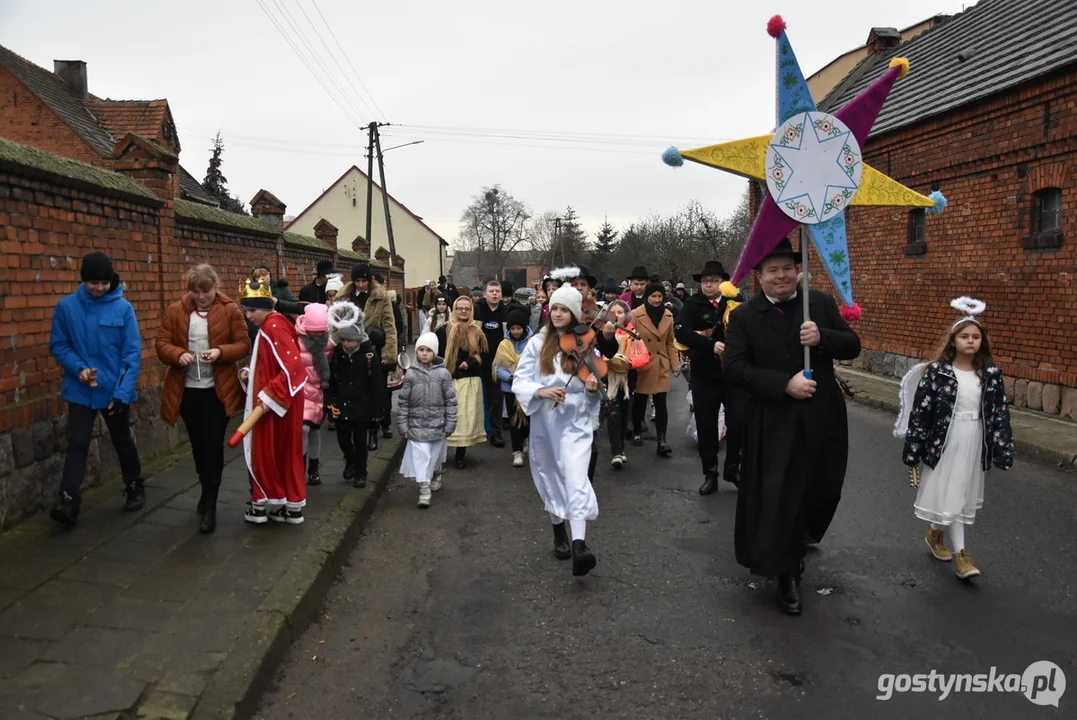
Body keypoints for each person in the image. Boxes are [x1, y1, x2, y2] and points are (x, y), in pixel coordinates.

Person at [722, 237, 861, 615]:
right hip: (774, 418)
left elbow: (852, 346)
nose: (781, 276)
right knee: (782, 494)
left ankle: (800, 537)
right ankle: (788, 572)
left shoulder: (818, 304)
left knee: (822, 486)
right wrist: (784, 384)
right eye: (772, 270)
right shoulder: (745, 316)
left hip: (822, 416)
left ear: (798, 271)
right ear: (759, 276)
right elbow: (733, 368)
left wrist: (823, 338)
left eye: (787, 268)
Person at [898, 298, 1013, 581]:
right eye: (965, 336)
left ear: (982, 342)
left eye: (976, 337)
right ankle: (961, 555)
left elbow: (999, 413)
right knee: (954, 494)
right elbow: (921, 413)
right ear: (953, 341)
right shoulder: (938, 374)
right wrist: (913, 448)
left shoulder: (990, 375)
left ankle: (936, 534)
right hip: (946, 442)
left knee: (959, 493)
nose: (971, 341)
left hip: (974, 442)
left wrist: (1002, 449)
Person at [48, 252, 146, 526]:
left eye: (104, 283)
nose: (99, 288)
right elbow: (59, 345)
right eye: (93, 283)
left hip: (114, 389)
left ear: (111, 281)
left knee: (121, 439)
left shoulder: (123, 309)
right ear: (84, 280)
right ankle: (68, 500)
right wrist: (78, 368)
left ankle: (135, 485)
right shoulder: (66, 307)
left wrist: (122, 393)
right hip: (80, 389)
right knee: (77, 443)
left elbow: (131, 354)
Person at [513, 285, 603, 576]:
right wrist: (542, 391)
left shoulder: (586, 342)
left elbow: (597, 390)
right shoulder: (538, 343)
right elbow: (521, 379)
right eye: (555, 308)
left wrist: (591, 389)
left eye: (565, 309)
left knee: (576, 478)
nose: (559, 314)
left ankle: (579, 545)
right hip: (547, 421)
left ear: (574, 313)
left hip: (576, 422)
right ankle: (558, 531)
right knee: (551, 476)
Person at [155, 264, 250, 533]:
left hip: (217, 390)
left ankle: (211, 503)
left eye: (206, 291)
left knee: (212, 443)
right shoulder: (176, 311)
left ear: (215, 287)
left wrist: (220, 352)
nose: (201, 296)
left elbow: (244, 344)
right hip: (187, 390)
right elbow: (161, 344)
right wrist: (177, 355)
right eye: (196, 291)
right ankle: (205, 488)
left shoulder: (230, 310)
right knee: (197, 446)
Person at [237, 279, 308, 525]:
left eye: (251, 311)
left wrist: (267, 397)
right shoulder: (272, 324)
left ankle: (263, 504)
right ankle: (288, 505)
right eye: (245, 311)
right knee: (283, 452)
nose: (247, 316)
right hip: (280, 402)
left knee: (266, 452)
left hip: (275, 405)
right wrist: (250, 370)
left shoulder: (273, 326)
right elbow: (271, 363)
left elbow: (294, 369)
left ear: (266, 307)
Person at [675, 260, 738, 495]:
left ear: (724, 283)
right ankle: (710, 473)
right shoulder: (692, 304)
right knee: (706, 426)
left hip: (732, 375)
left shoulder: (736, 303)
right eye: (705, 281)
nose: (708, 285)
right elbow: (681, 331)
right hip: (703, 374)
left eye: (713, 281)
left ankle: (733, 466)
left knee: (738, 423)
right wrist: (710, 345)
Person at [326, 302, 387, 488]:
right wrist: (329, 402)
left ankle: (361, 472)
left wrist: (378, 410)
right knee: (343, 439)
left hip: (363, 406)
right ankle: (350, 461)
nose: (345, 344)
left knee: (361, 442)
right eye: (343, 340)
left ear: (359, 339)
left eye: (349, 341)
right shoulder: (338, 355)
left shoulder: (369, 356)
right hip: (342, 404)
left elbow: (377, 384)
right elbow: (332, 380)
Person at [398, 332, 457, 508]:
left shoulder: (443, 374)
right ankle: (424, 490)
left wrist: (450, 423)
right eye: (421, 350)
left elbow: (450, 401)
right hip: (416, 426)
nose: (424, 353)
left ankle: (437, 472)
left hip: (437, 425)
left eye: (428, 350)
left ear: (435, 353)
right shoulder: (410, 375)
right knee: (421, 457)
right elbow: (403, 401)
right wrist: (403, 425)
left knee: (434, 457)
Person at [435, 296, 488, 468]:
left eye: (467, 308)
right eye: (460, 308)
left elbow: (482, 354)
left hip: (468, 380)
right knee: (443, 417)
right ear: (454, 309)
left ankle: (460, 455)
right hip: (447, 378)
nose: (463, 311)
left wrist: (471, 362)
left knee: (463, 418)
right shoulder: (443, 330)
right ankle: (439, 454)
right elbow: (436, 354)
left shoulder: (477, 332)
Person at [629, 282, 678, 456]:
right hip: (642, 363)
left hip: (660, 363)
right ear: (648, 297)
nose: (657, 300)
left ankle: (662, 441)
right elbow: (628, 338)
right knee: (640, 401)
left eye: (659, 296)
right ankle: (636, 431)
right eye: (653, 296)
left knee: (661, 403)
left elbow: (670, 342)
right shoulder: (635, 314)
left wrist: (674, 365)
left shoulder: (668, 315)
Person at [601, 300, 646, 470]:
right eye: (613, 313)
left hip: (628, 378)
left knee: (624, 413)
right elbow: (598, 354)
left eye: (620, 312)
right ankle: (616, 452)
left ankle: (621, 447)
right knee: (613, 413)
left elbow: (643, 355)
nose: (616, 316)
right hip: (609, 378)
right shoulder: (603, 333)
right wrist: (609, 362)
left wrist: (627, 363)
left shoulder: (632, 333)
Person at [295, 303, 334, 487]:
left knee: (314, 430)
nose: (318, 335)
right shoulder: (296, 340)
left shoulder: (328, 343)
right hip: (300, 389)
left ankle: (314, 468)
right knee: (303, 428)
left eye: (321, 332)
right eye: (314, 331)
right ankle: (301, 467)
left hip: (318, 390)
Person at [493, 307, 534, 468]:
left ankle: (526, 439)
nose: (516, 332)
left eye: (519, 328)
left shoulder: (532, 344)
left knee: (528, 417)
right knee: (514, 420)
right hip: (510, 388)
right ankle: (517, 451)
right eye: (513, 328)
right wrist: (510, 378)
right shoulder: (504, 345)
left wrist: (524, 377)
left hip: (528, 387)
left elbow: (536, 365)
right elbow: (498, 367)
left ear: (524, 328)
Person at [475, 280, 508, 448]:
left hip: (498, 362)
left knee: (496, 397)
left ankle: (496, 432)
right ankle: (477, 430)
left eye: (497, 291)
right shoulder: (478, 309)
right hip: (479, 360)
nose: (495, 294)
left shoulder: (505, 312)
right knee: (478, 396)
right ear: (485, 293)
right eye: (491, 291)